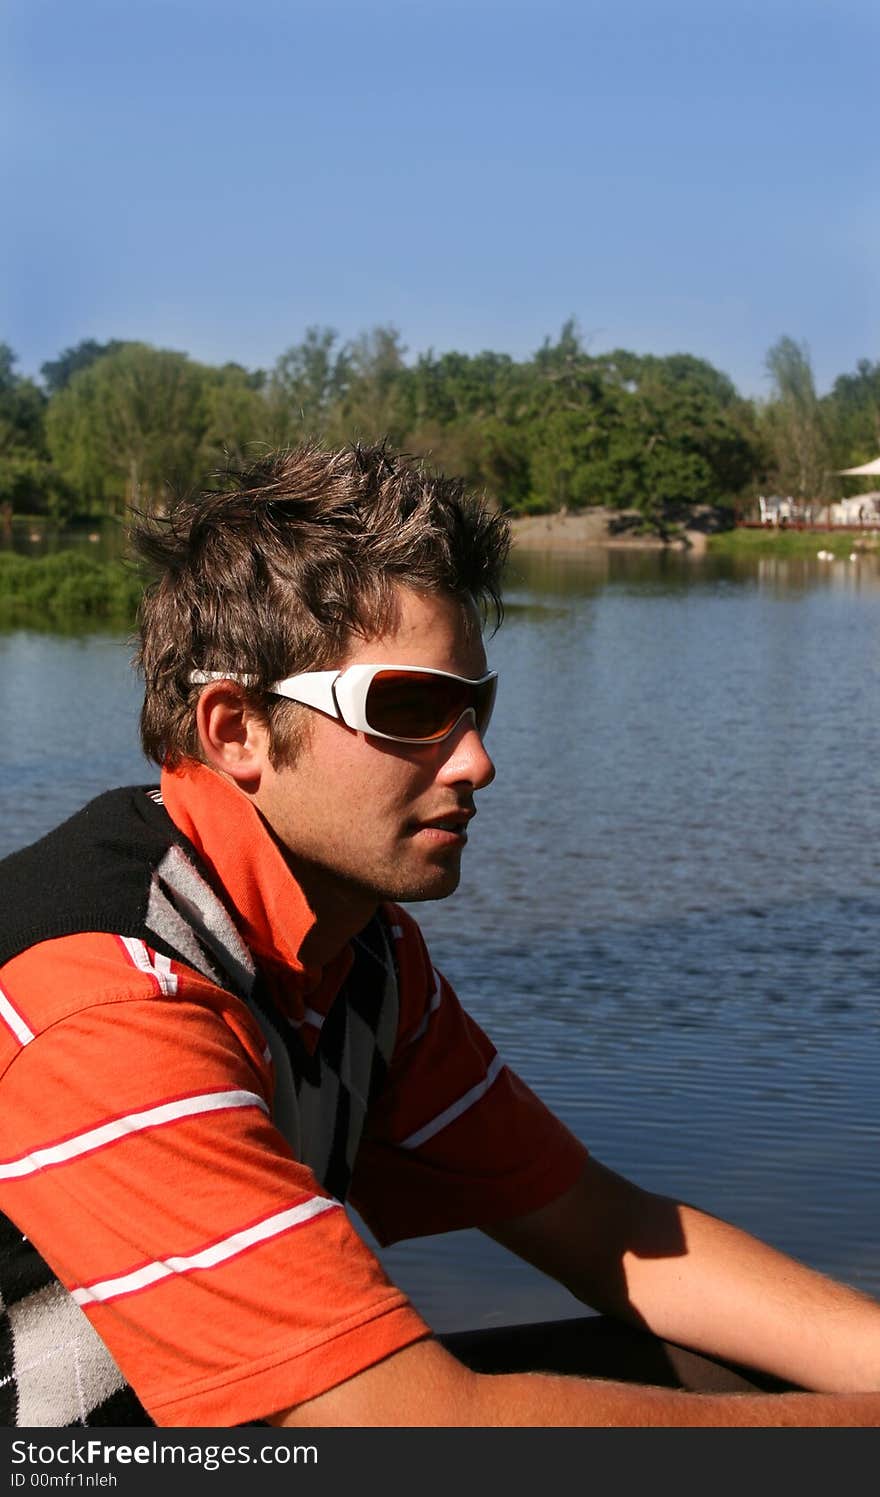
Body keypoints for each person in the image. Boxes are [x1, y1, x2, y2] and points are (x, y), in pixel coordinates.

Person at [0, 443, 878, 1429]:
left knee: (709, 1376)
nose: (476, 761)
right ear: (234, 728)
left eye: (474, 706)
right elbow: (410, 1433)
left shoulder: (356, 952)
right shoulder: (105, 996)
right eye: (410, 708)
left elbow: (604, 1232)